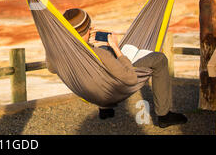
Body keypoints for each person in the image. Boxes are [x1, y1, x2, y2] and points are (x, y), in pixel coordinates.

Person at [45, 8, 188, 128]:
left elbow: (51, 68)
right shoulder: (99, 54)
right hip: (109, 91)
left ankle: (106, 110)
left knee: (107, 54)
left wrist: (88, 45)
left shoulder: (60, 55)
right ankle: (164, 115)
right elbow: (130, 77)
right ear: (88, 29)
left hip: (89, 91)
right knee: (159, 59)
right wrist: (115, 47)